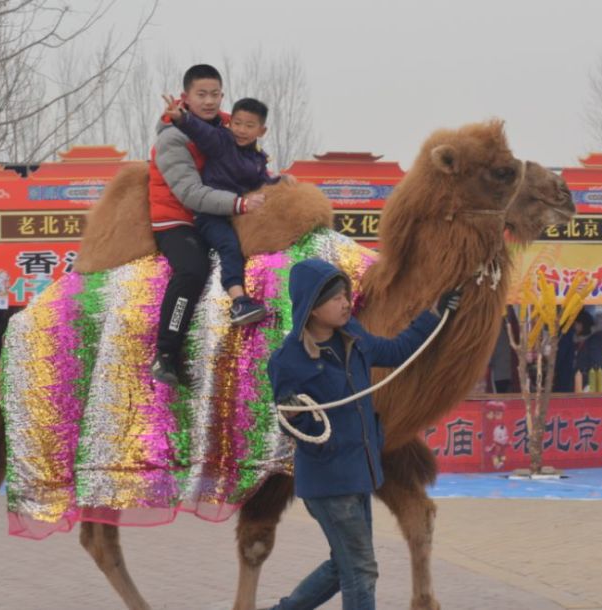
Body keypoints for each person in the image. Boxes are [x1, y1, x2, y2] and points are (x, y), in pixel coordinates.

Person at [267, 259, 461, 610]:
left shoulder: (354, 338)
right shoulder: (288, 360)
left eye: (346, 295)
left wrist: (433, 315)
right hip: (328, 482)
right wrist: (295, 412)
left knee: (344, 567)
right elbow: (291, 425)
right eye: (336, 299)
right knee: (361, 570)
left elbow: (398, 351)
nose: (345, 303)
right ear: (311, 307)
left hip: (359, 474)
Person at [149, 64, 266, 387]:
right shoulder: (172, 139)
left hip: (222, 213)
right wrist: (240, 204)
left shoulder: (233, 127)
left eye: (215, 94)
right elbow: (190, 193)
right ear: (186, 97)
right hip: (180, 218)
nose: (210, 101)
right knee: (193, 269)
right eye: (202, 94)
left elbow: (251, 161)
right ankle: (166, 352)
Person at [162, 94, 296, 328]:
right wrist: (182, 118)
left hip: (239, 214)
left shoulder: (257, 158)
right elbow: (202, 132)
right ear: (229, 123)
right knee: (230, 246)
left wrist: (281, 180)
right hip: (212, 215)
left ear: (262, 131)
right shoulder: (222, 142)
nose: (241, 130)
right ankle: (239, 302)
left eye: (249, 125)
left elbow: (262, 181)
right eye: (237, 123)